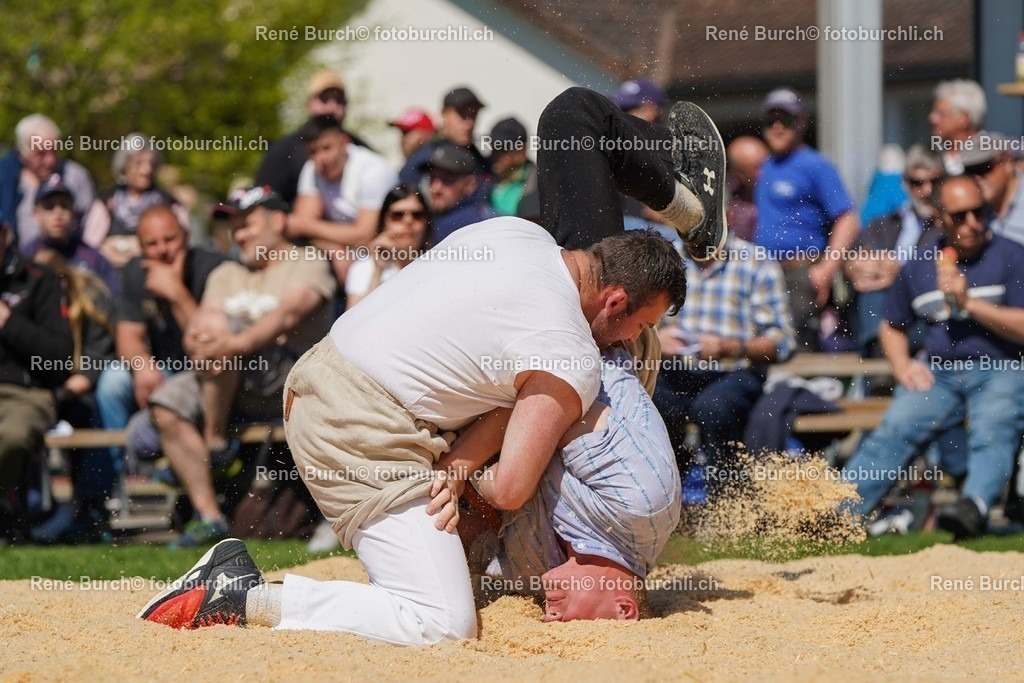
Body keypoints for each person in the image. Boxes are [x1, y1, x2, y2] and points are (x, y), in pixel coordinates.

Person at [139, 86, 725, 640]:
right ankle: (243, 595)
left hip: (332, 382)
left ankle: (687, 206)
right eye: (638, 328)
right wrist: (469, 476)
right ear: (616, 301)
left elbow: (509, 392)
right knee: (442, 622)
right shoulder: (571, 353)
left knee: (572, 116)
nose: (633, 342)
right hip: (362, 428)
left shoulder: (512, 233)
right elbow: (513, 487)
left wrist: (463, 461)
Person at [146, 186, 336, 547]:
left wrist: (231, 342)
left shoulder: (308, 260)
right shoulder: (227, 272)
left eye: (246, 223)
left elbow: (288, 314)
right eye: (234, 227)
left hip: (289, 380)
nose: (239, 234)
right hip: (226, 380)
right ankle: (209, 516)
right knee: (166, 405)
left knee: (225, 331)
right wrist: (203, 342)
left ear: (278, 221)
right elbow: (201, 325)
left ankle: (215, 444)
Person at [842, 175, 1024, 540]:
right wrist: (902, 365)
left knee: (995, 424)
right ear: (940, 218)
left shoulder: (1012, 255)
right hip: (937, 372)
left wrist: (969, 303)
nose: (972, 222)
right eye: (960, 215)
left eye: (979, 211)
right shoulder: (920, 265)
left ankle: (974, 507)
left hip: (1001, 367)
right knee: (896, 427)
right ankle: (838, 514)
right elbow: (892, 326)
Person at [461, 345, 680, 621]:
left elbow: (461, 532)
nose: (550, 619)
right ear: (624, 610)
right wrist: (472, 473)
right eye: (568, 622)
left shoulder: (526, 575)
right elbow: (555, 403)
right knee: (509, 490)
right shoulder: (642, 506)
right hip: (586, 338)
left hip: (490, 379)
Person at [653, 233, 795, 493]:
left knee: (713, 407)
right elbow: (638, 324)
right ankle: (664, 500)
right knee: (654, 407)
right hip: (676, 371)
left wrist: (729, 347)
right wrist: (656, 340)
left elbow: (782, 343)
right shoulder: (665, 258)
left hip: (736, 371)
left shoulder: (756, 261)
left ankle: (725, 501)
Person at [94, 205, 227, 471]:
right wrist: (142, 365)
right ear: (141, 248)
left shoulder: (213, 267)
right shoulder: (136, 272)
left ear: (186, 237)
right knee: (112, 381)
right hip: (161, 370)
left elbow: (208, 343)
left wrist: (175, 292)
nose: (162, 250)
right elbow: (127, 338)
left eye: (170, 239)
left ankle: (194, 462)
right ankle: (125, 474)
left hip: (208, 373)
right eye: (151, 244)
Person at [753, 87, 858, 351]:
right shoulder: (763, 166)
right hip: (761, 271)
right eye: (770, 120)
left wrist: (826, 270)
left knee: (796, 353)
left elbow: (847, 219)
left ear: (801, 123)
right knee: (760, 351)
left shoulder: (816, 165)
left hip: (800, 273)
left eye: (786, 120)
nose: (777, 127)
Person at [27, 250, 116, 543]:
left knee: (89, 409)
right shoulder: (24, 299)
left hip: (78, 393)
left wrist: (61, 392)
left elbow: (96, 357)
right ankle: (28, 508)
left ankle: (90, 508)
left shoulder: (89, 298)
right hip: (35, 394)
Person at [0, 221, 73, 540]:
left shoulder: (39, 281)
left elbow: (59, 360)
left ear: (4, 235)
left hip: (26, 395)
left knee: (12, 436)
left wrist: (8, 322)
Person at [844, 144, 944, 356]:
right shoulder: (884, 224)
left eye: (934, 182)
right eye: (917, 182)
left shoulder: (950, 226)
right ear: (905, 184)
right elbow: (853, 260)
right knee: (871, 261)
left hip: (924, 317)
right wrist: (856, 268)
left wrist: (899, 273)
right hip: (881, 312)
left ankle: (882, 353)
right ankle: (880, 350)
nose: (926, 190)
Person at [287, 115, 397, 286]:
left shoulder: (373, 171)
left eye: (326, 148)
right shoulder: (311, 169)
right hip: (340, 252)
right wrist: (333, 248)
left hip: (385, 254)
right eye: (312, 152)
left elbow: (364, 234)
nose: (320, 159)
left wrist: (307, 226)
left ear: (344, 141)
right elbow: (298, 230)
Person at [256, 69, 372, 207]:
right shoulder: (282, 152)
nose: (332, 106)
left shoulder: (363, 151)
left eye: (339, 100)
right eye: (324, 99)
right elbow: (264, 202)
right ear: (309, 103)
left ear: (345, 143)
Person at [81, 133, 187, 270]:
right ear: (124, 166)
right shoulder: (106, 202)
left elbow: (183, 244)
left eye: (151, 163)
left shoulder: (169, 203)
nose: (146, 170)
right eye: (138, 163)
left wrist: (121, 245)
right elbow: (90, 248)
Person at [0, 114, 95, 249]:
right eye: (41, 153)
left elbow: (91, 220)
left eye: (54, 151)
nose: (50, 160)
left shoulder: (75, 176)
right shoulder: (7, 181)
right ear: (22, 153)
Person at [21, 175, 118, 297]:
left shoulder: (93, 258)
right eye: (49, 207)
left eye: (64, 206)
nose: (58, 214)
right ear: (35, 214)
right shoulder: (25, 257)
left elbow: (113, 300)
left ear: (73, 213)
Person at [344, 184, 433, 308]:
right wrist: (378, 271)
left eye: (416, 215)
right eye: (398, 215)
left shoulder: (436, 264)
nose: (408, 221)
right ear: (384, 221)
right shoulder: (364, 268)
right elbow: (353, 323)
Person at [399, 86, 490, 186]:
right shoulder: (424, 159)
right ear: (444, 114)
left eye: (473, 114)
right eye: (462, 114)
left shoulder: (480, 161)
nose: (469, 123)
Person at [419, 142, 495, 242]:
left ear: (470, 184)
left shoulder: (467, 224)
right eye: (432, 178)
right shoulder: (438, 218)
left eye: (447, 179)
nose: (436, 188)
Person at [958, 131, 1024, 245]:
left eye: (983, 168)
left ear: (1007, 161)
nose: (977, 177)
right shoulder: (972, 211)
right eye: (970, 171)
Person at [929, 79, 986, 176]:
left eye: (941, 114)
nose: (932, 118)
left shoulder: (994, 158)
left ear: (963, 118)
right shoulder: (930, 157)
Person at [486, 118, 535, 217]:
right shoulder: (483, 175)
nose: (494, 155)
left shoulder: (537, 183)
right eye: (493, 148)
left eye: (502, 150)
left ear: (521, 151)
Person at [725, 136, 769, 242]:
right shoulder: (725, 194)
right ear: (737, 172)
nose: (761, 172)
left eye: (764, 165)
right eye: (754, 168)